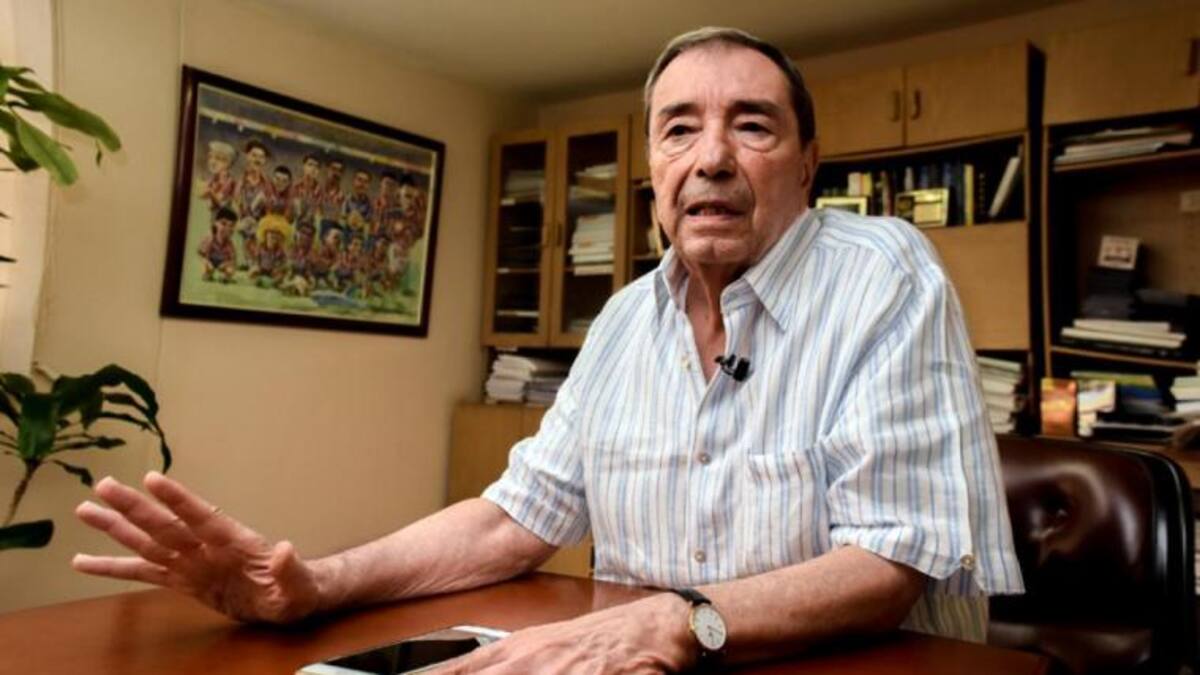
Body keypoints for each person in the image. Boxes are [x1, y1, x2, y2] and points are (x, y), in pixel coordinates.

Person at [72, 27, 1022, 672]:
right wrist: (318, 584)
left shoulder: (882, 273)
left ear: (808, 163)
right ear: (655, 171)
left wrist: (676, 618)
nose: (713, 157)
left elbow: (891, 558)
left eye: (753, 125)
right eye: (680, 129)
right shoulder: (623, 322)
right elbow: (513, 519)